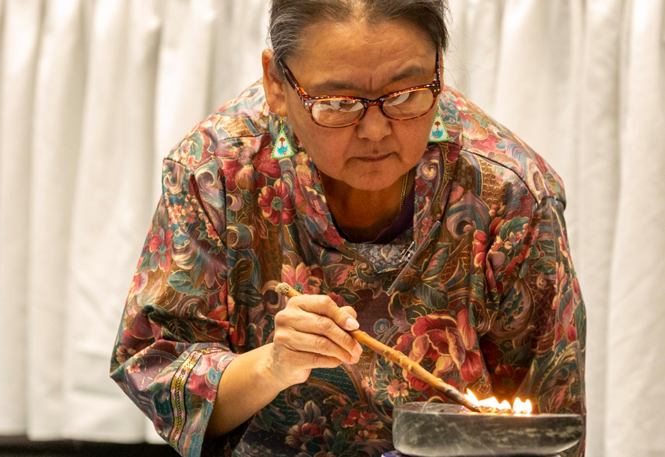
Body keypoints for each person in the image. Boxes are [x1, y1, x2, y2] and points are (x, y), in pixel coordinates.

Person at [110, 1, 586, 456]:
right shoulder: (215, 173)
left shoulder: (508, 192)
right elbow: (157, 365)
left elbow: (549, 421)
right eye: (338, 103)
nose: (376, 129)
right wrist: (273, 366)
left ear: (438, 68)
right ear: (276, 83)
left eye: (405, 95)